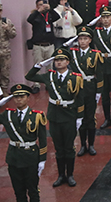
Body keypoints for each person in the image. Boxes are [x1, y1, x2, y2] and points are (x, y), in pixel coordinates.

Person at [25, 48, 84, 188]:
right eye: (56, 60)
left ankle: (70, 175)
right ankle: (60, 175)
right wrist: (38, 65)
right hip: (55, 116)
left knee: (69, 147)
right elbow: (29, 76)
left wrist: (79, 117)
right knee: (58, 148)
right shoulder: (49, 76)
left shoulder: (75, 77)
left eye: (62, 60)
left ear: (67, 62)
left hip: (69, 115)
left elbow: (80, 98)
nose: (59, 62)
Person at [0, 84, 47, 202]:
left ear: (27, 98)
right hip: (14, 157)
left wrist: (42, 160)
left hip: (31, 156)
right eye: (16, 97)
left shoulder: (36, 116)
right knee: (18, 191)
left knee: (33, 190)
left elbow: (43, 140)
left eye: (21, 97)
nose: (18, 100)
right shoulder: (7, 114)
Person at [69, 28, 103, 157]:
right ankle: (83, 144)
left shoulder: (95, 54)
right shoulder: (72, 54)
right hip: (78, 87)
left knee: (90, 117)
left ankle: (92, 144)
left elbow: (99, 73)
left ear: (89, 40)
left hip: (90, 87)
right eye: (80, 39)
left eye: (85, 39)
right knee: (80, 116)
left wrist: (98, 91)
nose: (82, 41)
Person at [0, 1, 18, 93]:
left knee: (5, 73)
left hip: (4, 52)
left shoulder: (6, 21)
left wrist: (8, 29)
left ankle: (4, 91)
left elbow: (13, 35)